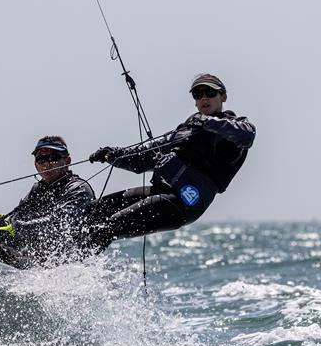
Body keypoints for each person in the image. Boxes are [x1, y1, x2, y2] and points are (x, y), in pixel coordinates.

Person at [84, 73, 255, 250]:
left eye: (210, 93)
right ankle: (60, 260)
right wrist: (113, 155)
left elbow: (246, 136)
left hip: (184, 203)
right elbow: (147, 154)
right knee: (93, 211)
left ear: (223, 97)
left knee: (106, 228)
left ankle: (72, 270)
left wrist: (206, 122)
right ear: (195, 101)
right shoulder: (188, 129)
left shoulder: (236, 126)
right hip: (162, 190)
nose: (204, 98)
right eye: (198, 94)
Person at [0, 136, 95, 267]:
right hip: (33, 261)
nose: (47, 164)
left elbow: (59, 224)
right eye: (42, 159)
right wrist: (2, 227)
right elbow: (18, 231)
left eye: (54, 157)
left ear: (68, 160)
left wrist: (15, 229)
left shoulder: (79, 189)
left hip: (64, 266)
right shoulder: (38, 190)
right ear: (35, 164)